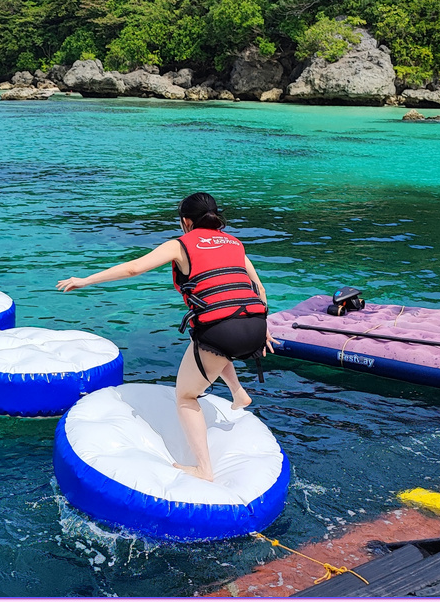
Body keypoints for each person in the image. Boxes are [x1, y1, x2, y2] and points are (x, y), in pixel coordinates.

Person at [57, 192, 276, 481]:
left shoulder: (180, 245)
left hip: (222, 332)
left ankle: (204, 469)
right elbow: (257, 288)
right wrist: (264, 329)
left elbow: (134, 267)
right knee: (202, 340)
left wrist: (85, 280)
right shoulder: (235, 244)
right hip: (256, 327)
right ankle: (238, 392)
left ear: (186, 221)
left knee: (186, 395)